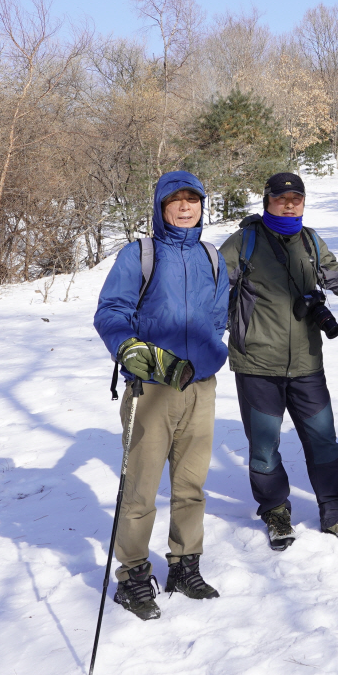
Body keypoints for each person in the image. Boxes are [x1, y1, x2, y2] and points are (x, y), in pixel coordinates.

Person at [93, 171, 230, 620]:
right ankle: (132, 576)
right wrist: (130, 349)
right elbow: (111, 311)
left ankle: (184, 564)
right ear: (162, 207)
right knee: (141, 488)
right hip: (152, 388)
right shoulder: (140, 255)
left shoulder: (213, 256)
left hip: (200, 388)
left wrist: (210, 352)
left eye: (194, 199)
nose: (186, 207)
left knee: (191, 485)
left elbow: (218, 315)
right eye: (177, 200)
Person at [219, 171, 338, 549]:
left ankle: (334, 513)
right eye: (281, 198)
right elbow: (212, 288)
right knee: (263, 446)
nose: (289, 204)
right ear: (267, 200)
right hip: (257, 365)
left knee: (324, 442)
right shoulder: (244, 241)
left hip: (307, 364)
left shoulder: (309, 240)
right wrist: (231, 331)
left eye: (296, 198)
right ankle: (275, 511)